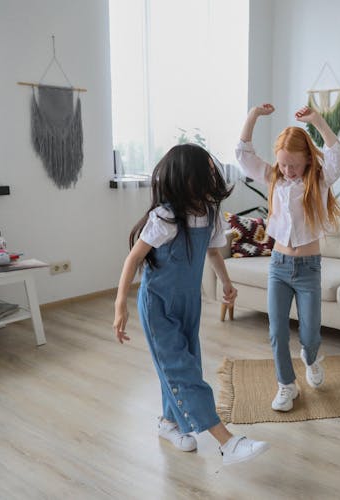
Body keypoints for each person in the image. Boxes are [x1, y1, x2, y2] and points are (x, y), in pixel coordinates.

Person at [113, 144, 269, 465]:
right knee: (181, 370)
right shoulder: (166, 217)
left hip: (189, 304)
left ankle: (169, 423)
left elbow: (212, 253)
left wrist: (226, 283)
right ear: (188, 177)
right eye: (208, 169)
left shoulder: (210, 215)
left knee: (187, 365)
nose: (213, 173)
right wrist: (121, 305)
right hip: (158, 306)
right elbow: (133, 259)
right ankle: (227, 443)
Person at [236, 103, 340, 411]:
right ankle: (286, 385)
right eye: (283, 164)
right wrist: (253, 116)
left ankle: (310, 359)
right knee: (277, 332)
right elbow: (243, 156)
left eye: (293, 165)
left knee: (310, 334)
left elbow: (338, 155)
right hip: (279, 267)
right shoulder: (275, 179)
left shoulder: (320, 180)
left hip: (309, 269)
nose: (287, 171)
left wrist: (318, 121)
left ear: (308, 159)